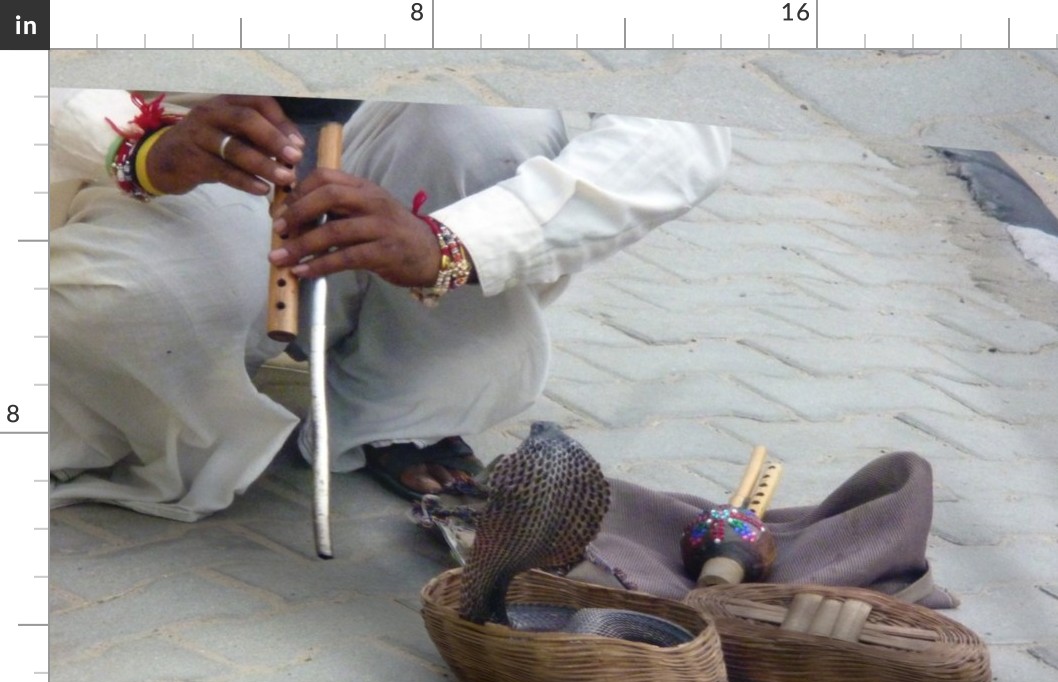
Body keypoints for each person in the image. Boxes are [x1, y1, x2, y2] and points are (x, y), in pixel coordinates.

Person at [50, 90, 731, 520]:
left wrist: (455, 245)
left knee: (485, 123)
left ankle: (397, 404)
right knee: (121, 303)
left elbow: (681, 121)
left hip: (400, 151)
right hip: (191, 151)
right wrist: (132, 146)